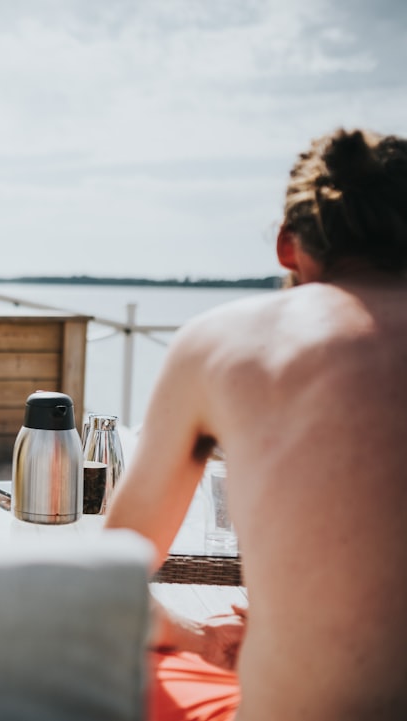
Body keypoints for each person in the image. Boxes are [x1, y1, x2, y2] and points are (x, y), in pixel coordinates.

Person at [105, 128, 407, 721]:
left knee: (128, 668)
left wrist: (197, 636)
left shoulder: (224, 343)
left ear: (286, 247)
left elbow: (107, 583)